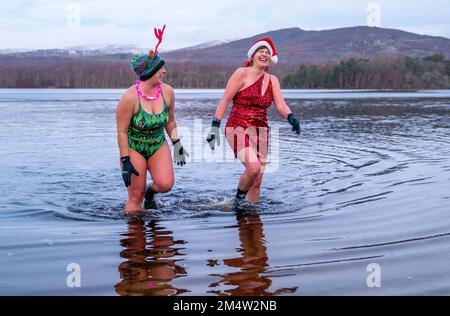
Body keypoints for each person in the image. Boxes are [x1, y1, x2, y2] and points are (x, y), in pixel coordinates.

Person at [206, 37, 300, 203]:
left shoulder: (273, 80)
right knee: (253, 167)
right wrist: (215, 127)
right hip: (237, 127)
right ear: (252, 56)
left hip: (261, 131)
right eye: (261, 51)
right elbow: (225, 100)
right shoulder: (241, 73)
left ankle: (252, 215)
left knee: (257, 182)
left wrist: (291, 117)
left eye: (267, 53)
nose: (264, 54)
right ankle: (238, 201)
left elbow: (280, 105)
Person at [116, 25, 188, 212]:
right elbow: (122, 132)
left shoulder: (168, 92)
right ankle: (134, 234)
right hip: (134, 146)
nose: (164, 71)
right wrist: (125, 161)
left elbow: (170, 121)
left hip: (157, 143)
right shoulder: (129, 98)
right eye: (160, 68)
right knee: (135, 196)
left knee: (165, 184)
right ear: (149, 72)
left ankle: (151, 193)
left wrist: (177, 144)